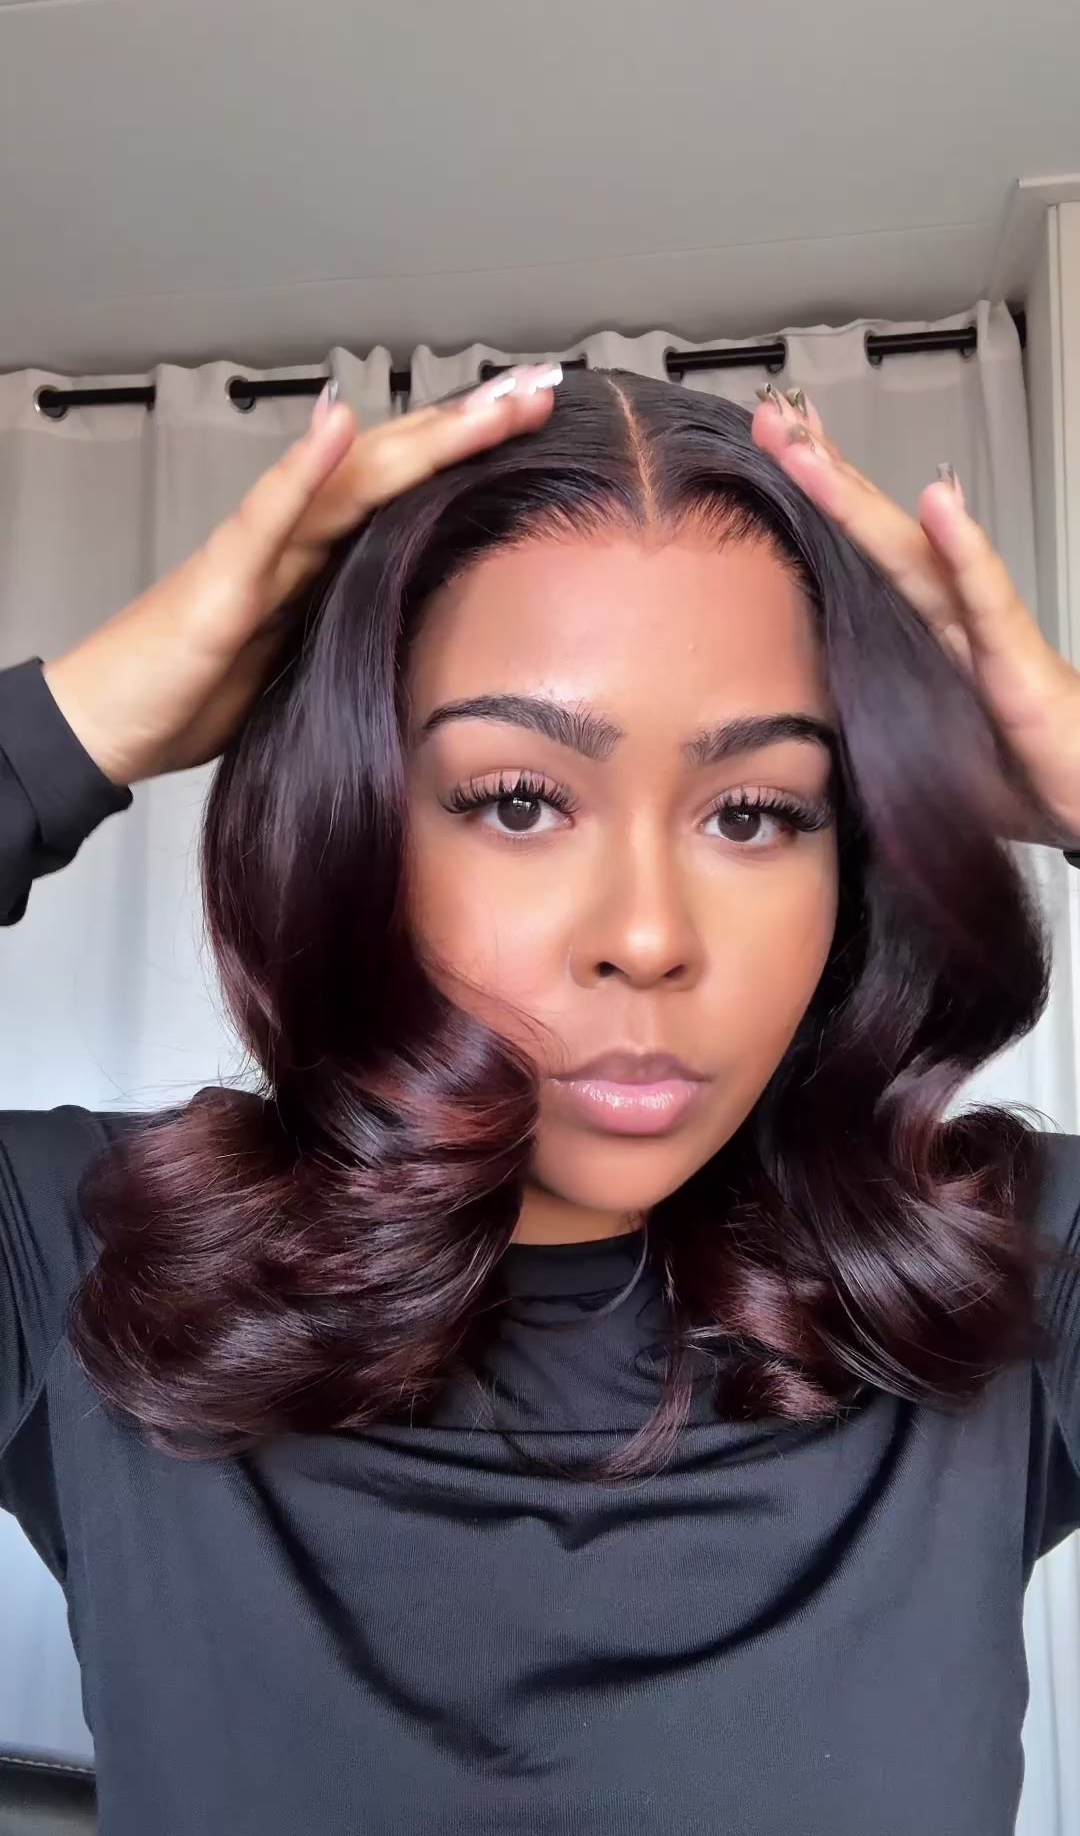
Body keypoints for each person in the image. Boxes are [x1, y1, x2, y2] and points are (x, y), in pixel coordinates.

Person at [1, 362, 1078, 1836]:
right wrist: (68, 729)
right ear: (359, 821)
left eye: (754, 812)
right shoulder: (92, 1264)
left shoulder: (991, 1280)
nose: (646, 934)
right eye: (519, 801)